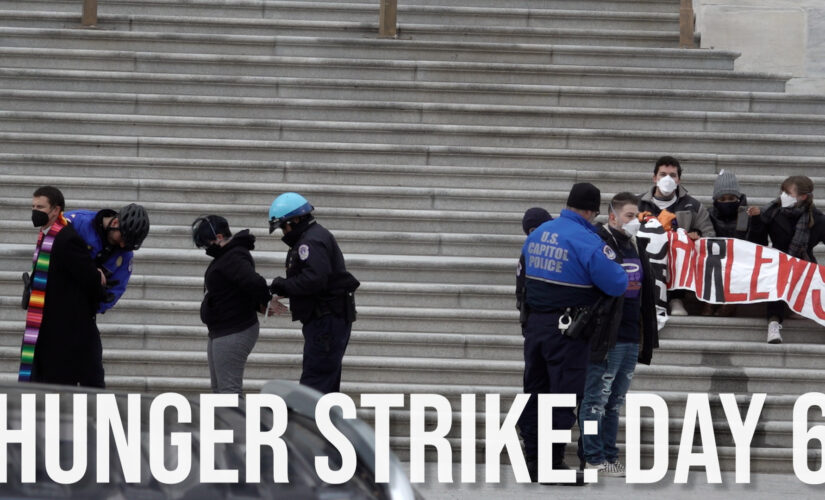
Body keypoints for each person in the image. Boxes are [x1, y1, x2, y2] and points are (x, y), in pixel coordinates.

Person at [516, 183, 628, 483]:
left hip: (536, 327)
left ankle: (532, 459)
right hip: (567, 331)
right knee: (563, 396)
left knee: (535, 392)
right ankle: (551, 464)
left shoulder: (539, 233)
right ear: (592, 211)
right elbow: (617, 283)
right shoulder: (587, 239)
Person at [579, 192, 660, 477]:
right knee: (594, 401)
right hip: (606, 336)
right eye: (629, 216)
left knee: (613, 402)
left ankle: (609, 456)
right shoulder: (600, 243)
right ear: (612, 216)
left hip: (629, 335)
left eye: (636, 216)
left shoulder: (636, 245)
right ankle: (592, 456)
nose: (634, 221)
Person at [268, 193, 360, 394]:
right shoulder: (313, 236)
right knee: (325, 382)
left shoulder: (309, 242)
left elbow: (315, 279)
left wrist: (284, 286)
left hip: (325, 321)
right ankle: (324, 424)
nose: (283, 232)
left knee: (315, 384)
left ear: (296, 219)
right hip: (327, 320)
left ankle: (308, 425)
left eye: (284, 226)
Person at [20, 186, 108, 387]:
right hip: (45, 323)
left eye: (40, 207)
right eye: (33, 206)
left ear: (55, 210)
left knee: (55, 385)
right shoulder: (46, 234)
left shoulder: (67, 238)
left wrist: (97, 278)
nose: (35, 211)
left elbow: (90, 280)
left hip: (63, 330)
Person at [193, 215, 272, 394]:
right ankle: (225, 422)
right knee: (220, 390)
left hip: (233, 330)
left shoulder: (234, 256)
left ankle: (237, 423)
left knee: (228, 391)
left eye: (206, 243)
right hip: (221, 330)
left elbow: (255, 282)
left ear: (219, 238)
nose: (206, 248)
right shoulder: (227, 255)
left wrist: (264, 303)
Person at [638, 155, 715, 316]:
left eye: (672, 175)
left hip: (678, 258)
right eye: (663, 174)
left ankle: (676, 299)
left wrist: (697, 236)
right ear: (654, 178)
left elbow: (709, 235)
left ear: (679, 180)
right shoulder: (638, 203)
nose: (668, 179)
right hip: (646, 254)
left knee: (678, 240)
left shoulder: (693, 206)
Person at [755, 176, 825, 343]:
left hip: (804, 266)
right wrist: (756, 221)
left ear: (803, 197)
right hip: (778, 264)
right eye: (783, 191)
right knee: (778, 279)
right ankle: (773, 323)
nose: (783, 195)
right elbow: (757, 242)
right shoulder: (772, 212)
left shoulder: (817, 219)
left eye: (788, 192)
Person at [65, 204, 150, 313]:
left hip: (81, 310)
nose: (123, 245)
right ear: (115, 223)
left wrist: (94, 306)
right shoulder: (77, 222)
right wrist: (89, 270)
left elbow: (116, 289)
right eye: (123, 238)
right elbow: (52, 251)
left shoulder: (125, 254)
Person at [705, 170, 764, 316]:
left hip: (739, 260)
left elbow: (758, 242)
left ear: (737, 198)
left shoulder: (746, 215)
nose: (726, 202)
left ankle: (729, 303)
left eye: (731, 198)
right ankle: (710, 301)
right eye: (722, 199)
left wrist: (757, 221)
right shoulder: (709, 214)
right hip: (716, 258)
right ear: (716, 200)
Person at [516, 207, 553, 331]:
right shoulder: (526, 254)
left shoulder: (558, 250)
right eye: (532, 231)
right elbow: (520, 288)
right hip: (534, 316)